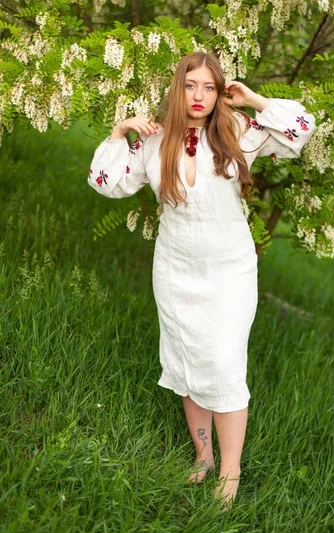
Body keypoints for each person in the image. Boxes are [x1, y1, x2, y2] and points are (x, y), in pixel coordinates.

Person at [88, 51, 315, 508]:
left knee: (224, 363)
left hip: (229, 271)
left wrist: (253, 100)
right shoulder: (154, 144)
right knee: (187, 362)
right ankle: (204, 458)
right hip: (175, 269)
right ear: (178, 89)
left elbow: (300, 131)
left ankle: (229, 474)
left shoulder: (237, 134)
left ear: (218, 93)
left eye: (209, 87)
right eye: (191, 85)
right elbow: (103, 181)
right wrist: (119, 132)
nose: (199, 96)